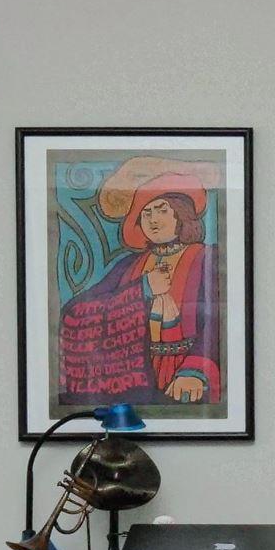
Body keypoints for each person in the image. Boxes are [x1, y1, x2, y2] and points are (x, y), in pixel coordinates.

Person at [57, 161, 220, 408]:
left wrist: (194, 370)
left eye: (162, 209)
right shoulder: (129, 266)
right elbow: (75, 313)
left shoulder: (208, 259)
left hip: (190, 378)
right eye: (146, 213)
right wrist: (141, 290)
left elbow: (221, 319)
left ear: (182, 213)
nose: (153, 219)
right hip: (138, 381)